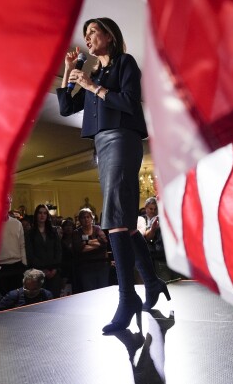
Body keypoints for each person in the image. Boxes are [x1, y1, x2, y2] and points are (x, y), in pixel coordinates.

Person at [57, 17, 169, 333]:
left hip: (122, 138)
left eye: (93, 32)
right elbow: (66, 107)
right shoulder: (94, 73)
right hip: (102, 145)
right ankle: (151, 280)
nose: (88, 38)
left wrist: (93, 86)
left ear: (109, 35)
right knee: (125, 225)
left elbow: (129, 103)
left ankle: (128, 296)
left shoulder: (125, 64)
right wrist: (69, 71)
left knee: (115, 220)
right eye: (86, 34)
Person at [25, 204, 63, 298]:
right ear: (36, 215)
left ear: (47, 215)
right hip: (38, 273)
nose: (42, 215)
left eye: (45, 213)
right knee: (41, 300)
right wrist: (43, 270)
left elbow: (58, 251)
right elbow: (30, 254)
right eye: (40, 213)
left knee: (55, 299)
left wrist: (54, 269)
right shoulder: (30, 233)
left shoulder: (53, 231)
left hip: (54, 271)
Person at [0, 195, 27, 295]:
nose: (5, 205)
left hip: (16, 265)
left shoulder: (17, 223)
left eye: (8, 203)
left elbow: (22, 244)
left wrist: (24, 265)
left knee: (17, 297)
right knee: (2, 298)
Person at [72, 208, 110, 292]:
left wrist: (86, 242)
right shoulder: (76, 232)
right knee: (90, 292)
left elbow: (104, 243)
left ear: (91, 218)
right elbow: (79, 248)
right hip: (86, 268)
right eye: (83, 217)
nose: (86, 219)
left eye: (88, 217)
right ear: (80, 219)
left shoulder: (97, 228)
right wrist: (97, 244)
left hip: (101, 266)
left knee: (103, 291)